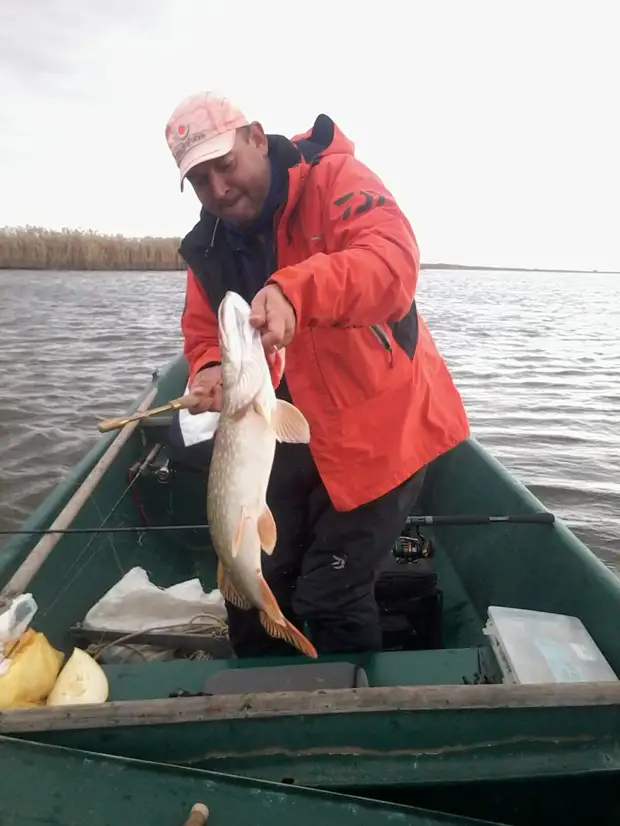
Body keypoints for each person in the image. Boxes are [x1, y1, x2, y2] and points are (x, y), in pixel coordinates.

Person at [164, 90, 470, 658]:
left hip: (383, 428)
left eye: (224, 166)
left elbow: (391, 261)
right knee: (252, 590)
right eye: (200, 181)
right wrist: (208, 371)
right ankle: (258, 704)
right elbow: (205, 332)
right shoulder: (208, 243)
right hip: (287, 423)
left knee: (331, 595)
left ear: (256, 138)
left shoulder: (336, 180)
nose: (219, 190)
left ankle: (351, 727)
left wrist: (294, 292)